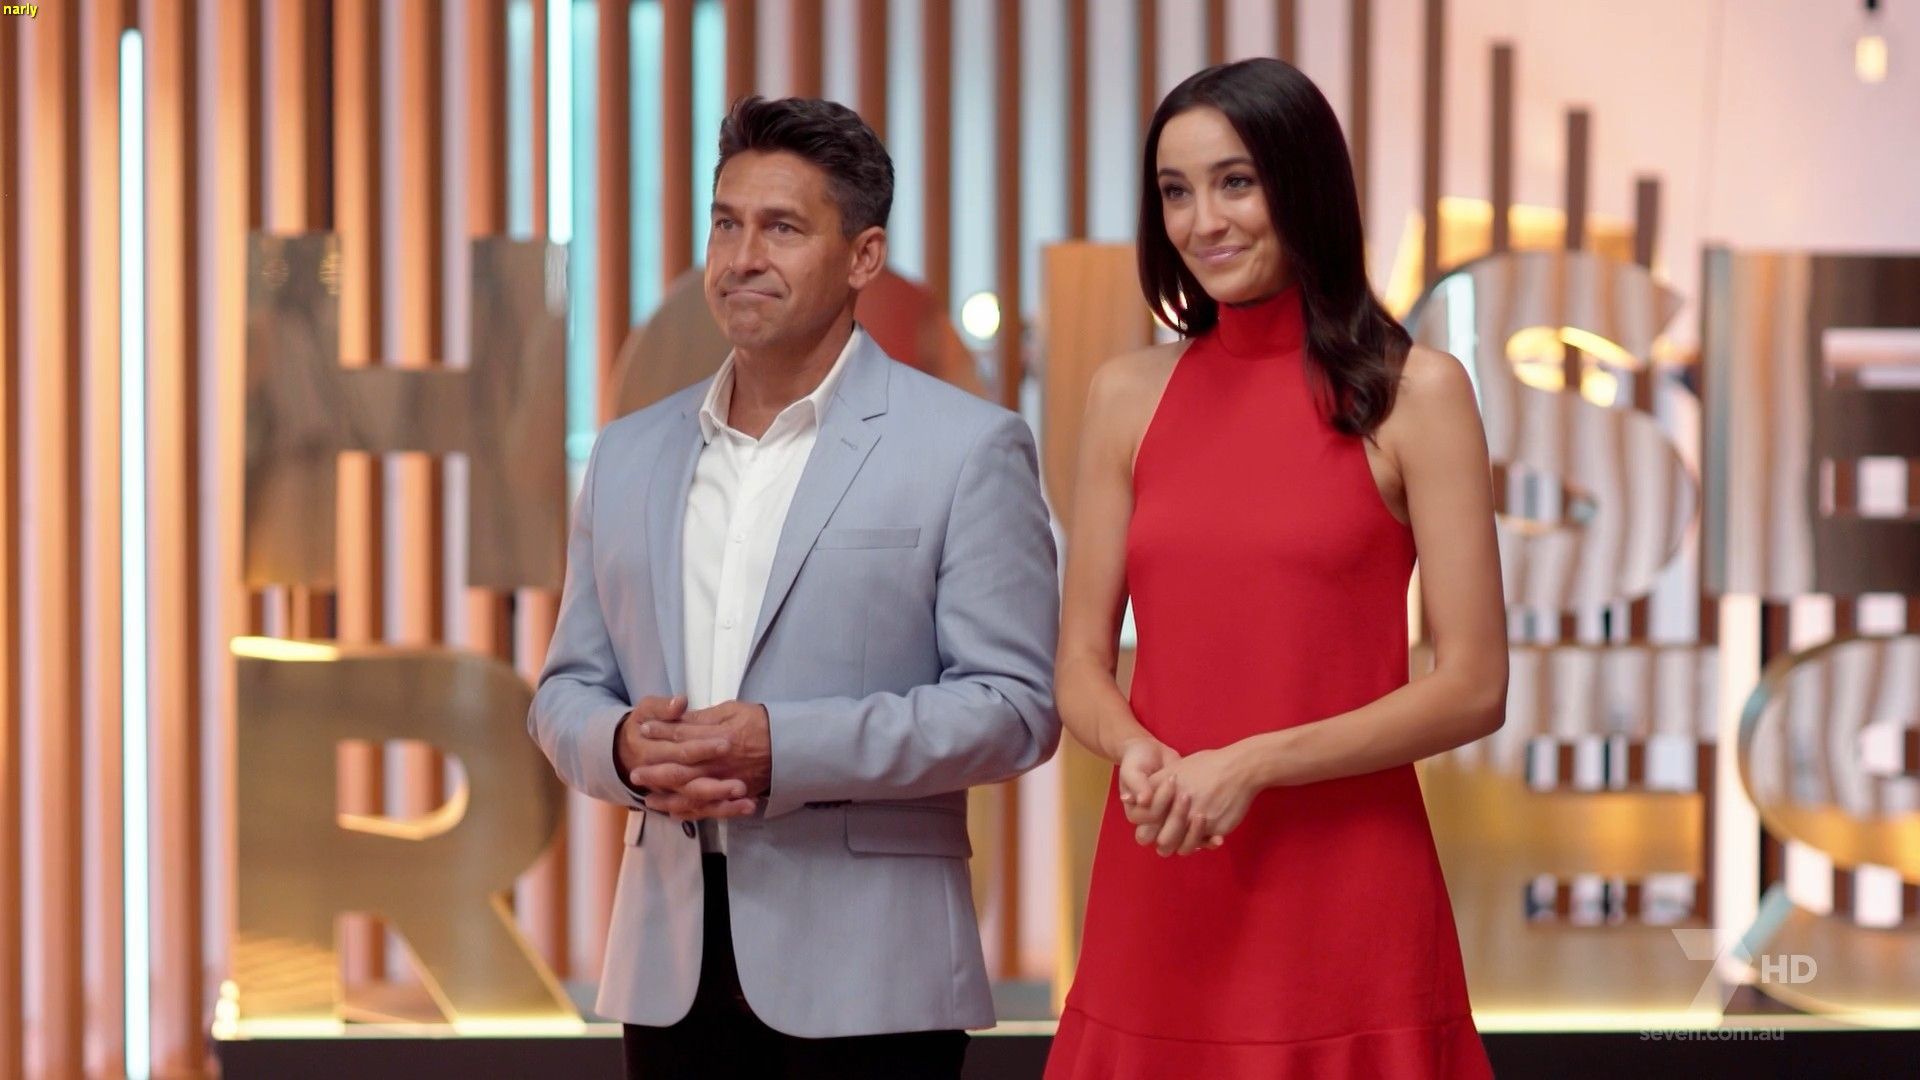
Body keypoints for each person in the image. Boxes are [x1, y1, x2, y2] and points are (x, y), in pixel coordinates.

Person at [527, 95, 1060, 1080]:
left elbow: (1015, 709)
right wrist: (622, 746)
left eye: (781, 228)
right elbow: (565, 691)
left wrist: (786, 747)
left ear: (863, 257)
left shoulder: (967, 447)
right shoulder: (629, 453)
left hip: (874, 978)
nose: (741, 258)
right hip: (670, 970)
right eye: (725, 224)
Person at [1046, 59, 1504, 1078]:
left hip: (1348, 901)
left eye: (1236, 182)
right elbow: (1078, 663)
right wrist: (1135, 750)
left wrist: (1250, 765)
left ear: (1304, 186)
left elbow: (1475, 686)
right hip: (1162, 876)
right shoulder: (1125, 395)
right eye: (1176, 191)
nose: (1202, 221)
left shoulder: (1417, 394)